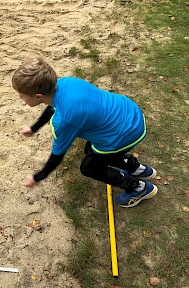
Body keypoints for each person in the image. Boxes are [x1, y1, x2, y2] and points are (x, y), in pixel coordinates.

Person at [12, 57, 158, 208]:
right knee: (90, 150)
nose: (20, 98)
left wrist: (37, 177)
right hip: (130, 112)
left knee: (89, 167)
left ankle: (138, 188)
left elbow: (57, 156)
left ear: (38, 97)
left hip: (125, 134)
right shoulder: (65, 83)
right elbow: (52, 106)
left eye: (22, 96)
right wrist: (34, 128)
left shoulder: (64, 121)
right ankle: (136, 168)